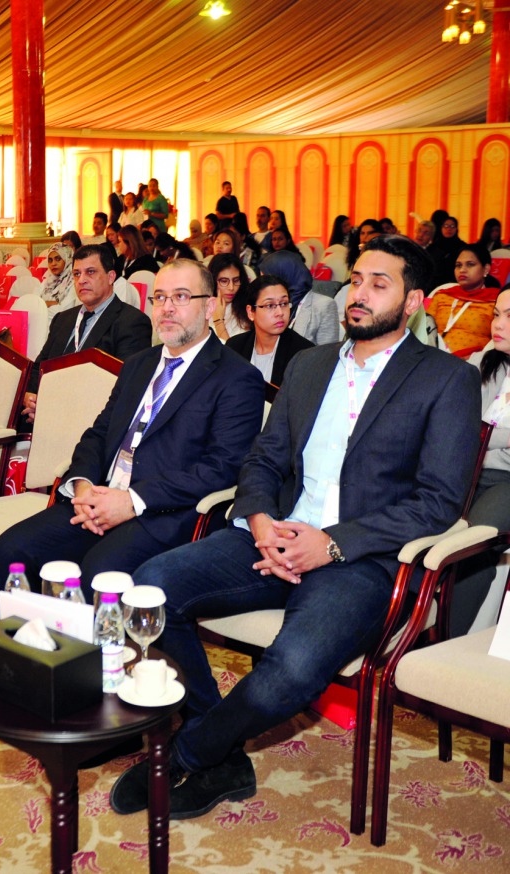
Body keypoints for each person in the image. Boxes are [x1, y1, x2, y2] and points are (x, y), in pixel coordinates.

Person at [110, 234, 483, 822]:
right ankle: (225, 751)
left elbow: (436, 503)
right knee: (149, 588)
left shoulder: (446, 380)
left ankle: (192, 752)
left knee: (291, 665)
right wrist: (259, 522)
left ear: (413, 303)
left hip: (365, 559)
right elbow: (261, 461)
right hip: (275, 535)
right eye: (355, 280)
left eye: (378, 285)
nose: (357, 295)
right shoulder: (310, 365)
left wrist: (331, 543)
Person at [0, 258, 265, 605]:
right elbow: (100, 432)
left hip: (163, 513)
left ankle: (95, 660)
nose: (167, 308)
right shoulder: (139, 364)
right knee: (12, 549)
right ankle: (23, 653)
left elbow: (221, 468)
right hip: (99, 497)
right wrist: (85, 485)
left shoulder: (237, 378)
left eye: (181, 297)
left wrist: (132, 501)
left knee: (98, 572)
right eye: (159, 297)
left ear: (210, 306)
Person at [19, 244, 151, 426]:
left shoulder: (132, 322)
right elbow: (38, 367)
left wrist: (52, 409)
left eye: (90, 272)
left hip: (90, 421)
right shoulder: (63, 319)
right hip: (43, 415)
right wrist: (30, 397)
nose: (82, 280)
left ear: (111, 277)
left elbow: (125, 387)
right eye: (77, 274)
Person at [449, 288, 510, 634]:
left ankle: (439, 655)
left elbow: (476, 433)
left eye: (509, 316)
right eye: (496, 314)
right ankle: (399, 632)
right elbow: (461, 427)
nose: (498, 324)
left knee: (471, 549)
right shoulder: (486, 358)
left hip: (504, 481)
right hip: (461, 472)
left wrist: (482, 438)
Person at [226, 275, 314, 386]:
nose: (280, 312)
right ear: (251, 312)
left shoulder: (304, 353)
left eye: (284, 303)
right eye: (270, 305)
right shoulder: (235, 347)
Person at [426, 245, 499, 357]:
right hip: (432, 357)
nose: (462, 270)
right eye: (458, 265)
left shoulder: (496, 300)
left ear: (486, 269)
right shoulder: (442, 295)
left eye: (470, 264)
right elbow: (425, 329)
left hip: (472, 364)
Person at [261, 249, 341, 346]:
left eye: (266, 279)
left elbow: (327, 353)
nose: (262, 285)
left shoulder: (323, 305)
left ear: (283, 276)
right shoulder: (267, 304)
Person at [208, 253, 249, 340]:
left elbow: (232, 352)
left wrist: (219, 321)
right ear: (213, 280)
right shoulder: (201, 304)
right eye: (224, 281)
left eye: (236, 280)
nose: (231, 287)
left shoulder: (246, 310)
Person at [427, 214, 467, 290]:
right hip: (434, 285)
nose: (449, 229)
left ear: (456, 229)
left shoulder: (463, 247)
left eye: (452, 226)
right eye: (446, 226)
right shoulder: (432, 247)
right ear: (441, 228)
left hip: (456, 284)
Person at [38, 243, 76, 311]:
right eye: (50, 260)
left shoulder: (74, 281)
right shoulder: (47, 281)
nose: (53, 263)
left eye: (58, 259)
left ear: (67, 259)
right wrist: (53, 303)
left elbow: (66, 309)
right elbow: (34, 302)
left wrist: (43, 304)